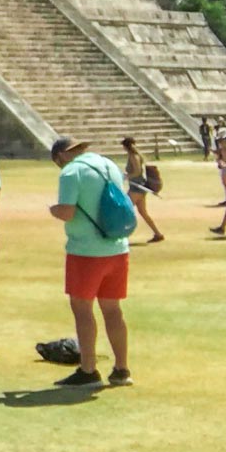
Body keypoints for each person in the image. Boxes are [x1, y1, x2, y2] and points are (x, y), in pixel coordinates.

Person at [49, 137, 132, 387]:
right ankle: (121, 368)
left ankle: (88, 369)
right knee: (113, 310)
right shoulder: (108, 164)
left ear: (61, 156)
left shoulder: (72, 172)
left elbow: (68, 211)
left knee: (82, 309)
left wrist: (52, 209)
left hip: (86, 251)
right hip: (117, 247)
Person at [121, 136, 164, 243]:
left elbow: (137, 172)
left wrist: (127, 176)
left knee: (124, 210)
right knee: (143, 212)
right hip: (137, 186)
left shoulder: (133, 156)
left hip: (136, 187)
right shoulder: (135, 155)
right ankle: (158, 233)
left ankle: (121, 234)